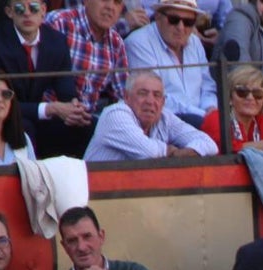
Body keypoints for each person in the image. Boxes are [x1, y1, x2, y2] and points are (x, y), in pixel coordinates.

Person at [0, 0, 93, 158]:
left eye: (34, 8)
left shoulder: (56, 41)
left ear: (43, 11)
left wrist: (74, 107)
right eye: (19, 8)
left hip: (38, 117)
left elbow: (66, 92)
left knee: (86, 125)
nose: (27, 13)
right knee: (25, 127)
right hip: (3, 115)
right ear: (9, 12)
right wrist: (50, 108)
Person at [85, 70, 217, 160]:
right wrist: (172, 151)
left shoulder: (165, 117)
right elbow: (148, 152)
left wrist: (185, 152)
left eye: (157, 95)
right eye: (143, 93)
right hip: (95, 191)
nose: (150, 101)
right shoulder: (115, 114)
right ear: (126, 97)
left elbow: (209, 144)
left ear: (163, 102)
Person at [125, 0, 217, 128]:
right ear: (158, 16)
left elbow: (208, 86)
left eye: (188, 22)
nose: (181, 27)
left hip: (200, 120)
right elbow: (155, 97)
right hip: (162, 123)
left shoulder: (195, 42)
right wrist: (204, 116)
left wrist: (210, 108)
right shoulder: (138, 43)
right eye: (174, 20)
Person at [47, 0, 128, 118]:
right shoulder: (59, 22)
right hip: (51, 114)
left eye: (117, 2)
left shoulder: (116, 43)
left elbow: (123, 96)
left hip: (88, 119)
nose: (110, 7)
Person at [48, 207, 158, 270]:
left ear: (101, 237)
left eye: (87, 236)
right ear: (65, 247)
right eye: (72, 241)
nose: (81, 247)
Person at [200, 65, 263, 152]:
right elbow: (231, 150)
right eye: (242, 92)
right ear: (229, 97)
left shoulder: (262, 120)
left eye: (258, 94)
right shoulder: (216, 118)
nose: (250, 98)